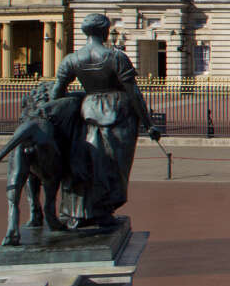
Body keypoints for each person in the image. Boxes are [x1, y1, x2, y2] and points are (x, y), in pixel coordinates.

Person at [50, 12, 160, 228]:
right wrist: (149, 123)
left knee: (88, 160)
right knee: (112, 166)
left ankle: (81, 212)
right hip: (117, 113)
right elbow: (134, 93)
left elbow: (56, 96)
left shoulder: (71, 59)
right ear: (105, 31)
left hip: (88, 110)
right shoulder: (115, 56)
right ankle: (103, 210)